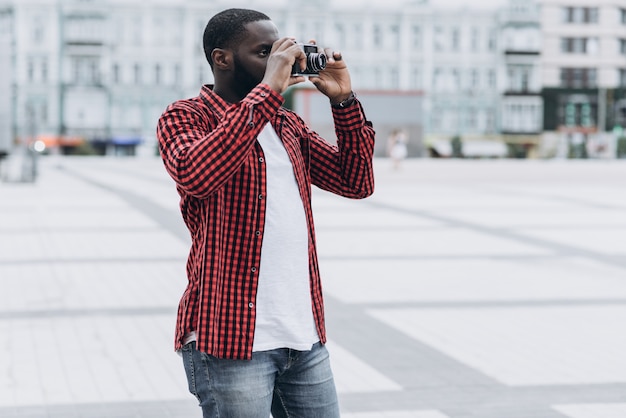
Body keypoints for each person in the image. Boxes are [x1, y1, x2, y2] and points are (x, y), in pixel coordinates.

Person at [156, 8, 375, 418]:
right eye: (264, 52)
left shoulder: (286, 124)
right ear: (222, 58)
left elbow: (356, 181)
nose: (279, 61)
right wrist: (269, 90)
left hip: (303, 337)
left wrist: (344, 101)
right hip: (230, 341)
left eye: (279, 51)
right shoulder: (186, 116)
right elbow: (196, 174)